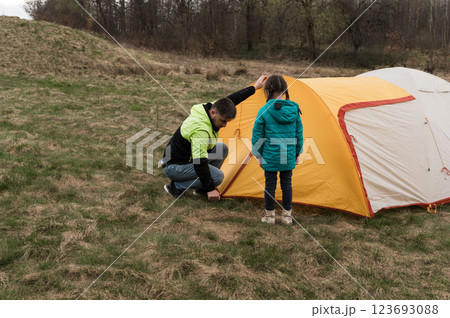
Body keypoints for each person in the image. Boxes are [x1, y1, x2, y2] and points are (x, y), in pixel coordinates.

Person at [161, 75, 267, 201]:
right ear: (213, 113)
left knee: (221, 148)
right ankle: (176, 187)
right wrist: (211, 187)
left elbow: (232, 100)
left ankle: (201, 189)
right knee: (218, 177)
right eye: (223, 121)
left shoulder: (212, 108)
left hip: (185, 159)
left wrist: (254, 87)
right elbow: (199, 162)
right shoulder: (201, 129)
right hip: (174, 166)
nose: (224, 125)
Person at [251, 75, 303, 225]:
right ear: (285, 90)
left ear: (267, 90)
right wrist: (297, 153)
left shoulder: (264, 110)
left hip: (270, 154)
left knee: (270, 185)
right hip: (288, 154)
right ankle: (287, 217)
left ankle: (270, 217)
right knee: (287, 184)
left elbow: (257, 135)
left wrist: (258, 155)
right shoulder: (294, 109)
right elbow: (299, 134)